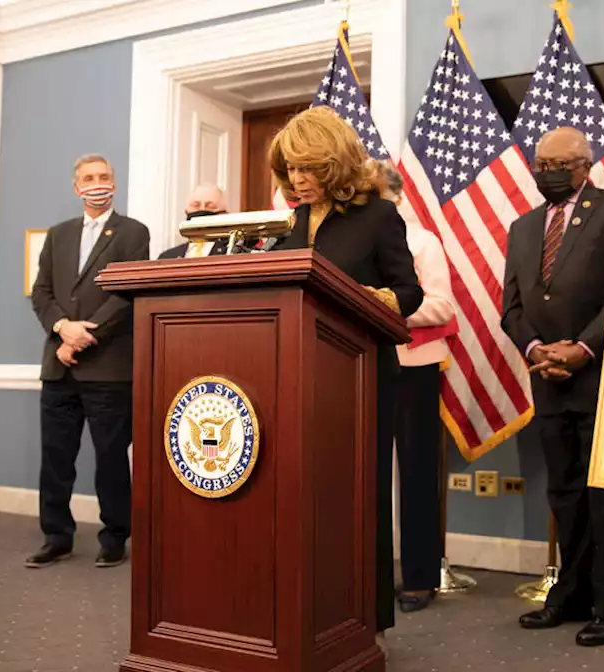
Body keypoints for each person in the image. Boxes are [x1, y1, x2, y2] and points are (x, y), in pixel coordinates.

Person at [267, 107, 423, 640]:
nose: (297, 180)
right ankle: (306, 614)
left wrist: (367, 299)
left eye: (307, 168)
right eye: (289, 170)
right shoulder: (286, 227)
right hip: (296, 380)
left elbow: (409, 292)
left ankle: (362, 620)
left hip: (359, 378)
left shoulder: (378, 217)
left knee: (357, 500)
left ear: (334, 163)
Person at [500, 127, 604, 647]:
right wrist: (538, 351)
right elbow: (511, 307)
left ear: (585, 164)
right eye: (541, 163)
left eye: (558, 164)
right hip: (548, 380)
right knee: (564, 494)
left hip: (601, 372)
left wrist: (582, 349)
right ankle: (571, 593)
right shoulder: (523, 226)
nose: (546, 173)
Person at [27, 154, 150, 569]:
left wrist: (84, 336)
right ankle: (56, 536)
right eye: (88, 178)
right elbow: (42, 292)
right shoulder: (58, 235)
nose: (97, 183)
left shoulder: (133, 232)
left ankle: (115, 536)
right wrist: (63, 328)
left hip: (108, 369)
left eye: (104, 177)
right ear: (76, 186)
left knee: (111, 457)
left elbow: (127, 295)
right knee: (55, 457)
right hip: (59, 365)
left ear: (114, 183)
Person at [379, 163, 458, 614]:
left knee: (416, 474)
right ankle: (371, 574)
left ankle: (420, 577)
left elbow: (442, 306)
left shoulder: (422, 241)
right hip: (367, 365)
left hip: (415, 368)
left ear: (398, 198)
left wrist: (386, 309)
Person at [158, 183, 233, 259]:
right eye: (196, 205)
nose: (202, 209)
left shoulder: (233, 253)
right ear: (186, 211)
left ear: (224, 214)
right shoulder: (167, 257)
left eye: (210, 206)